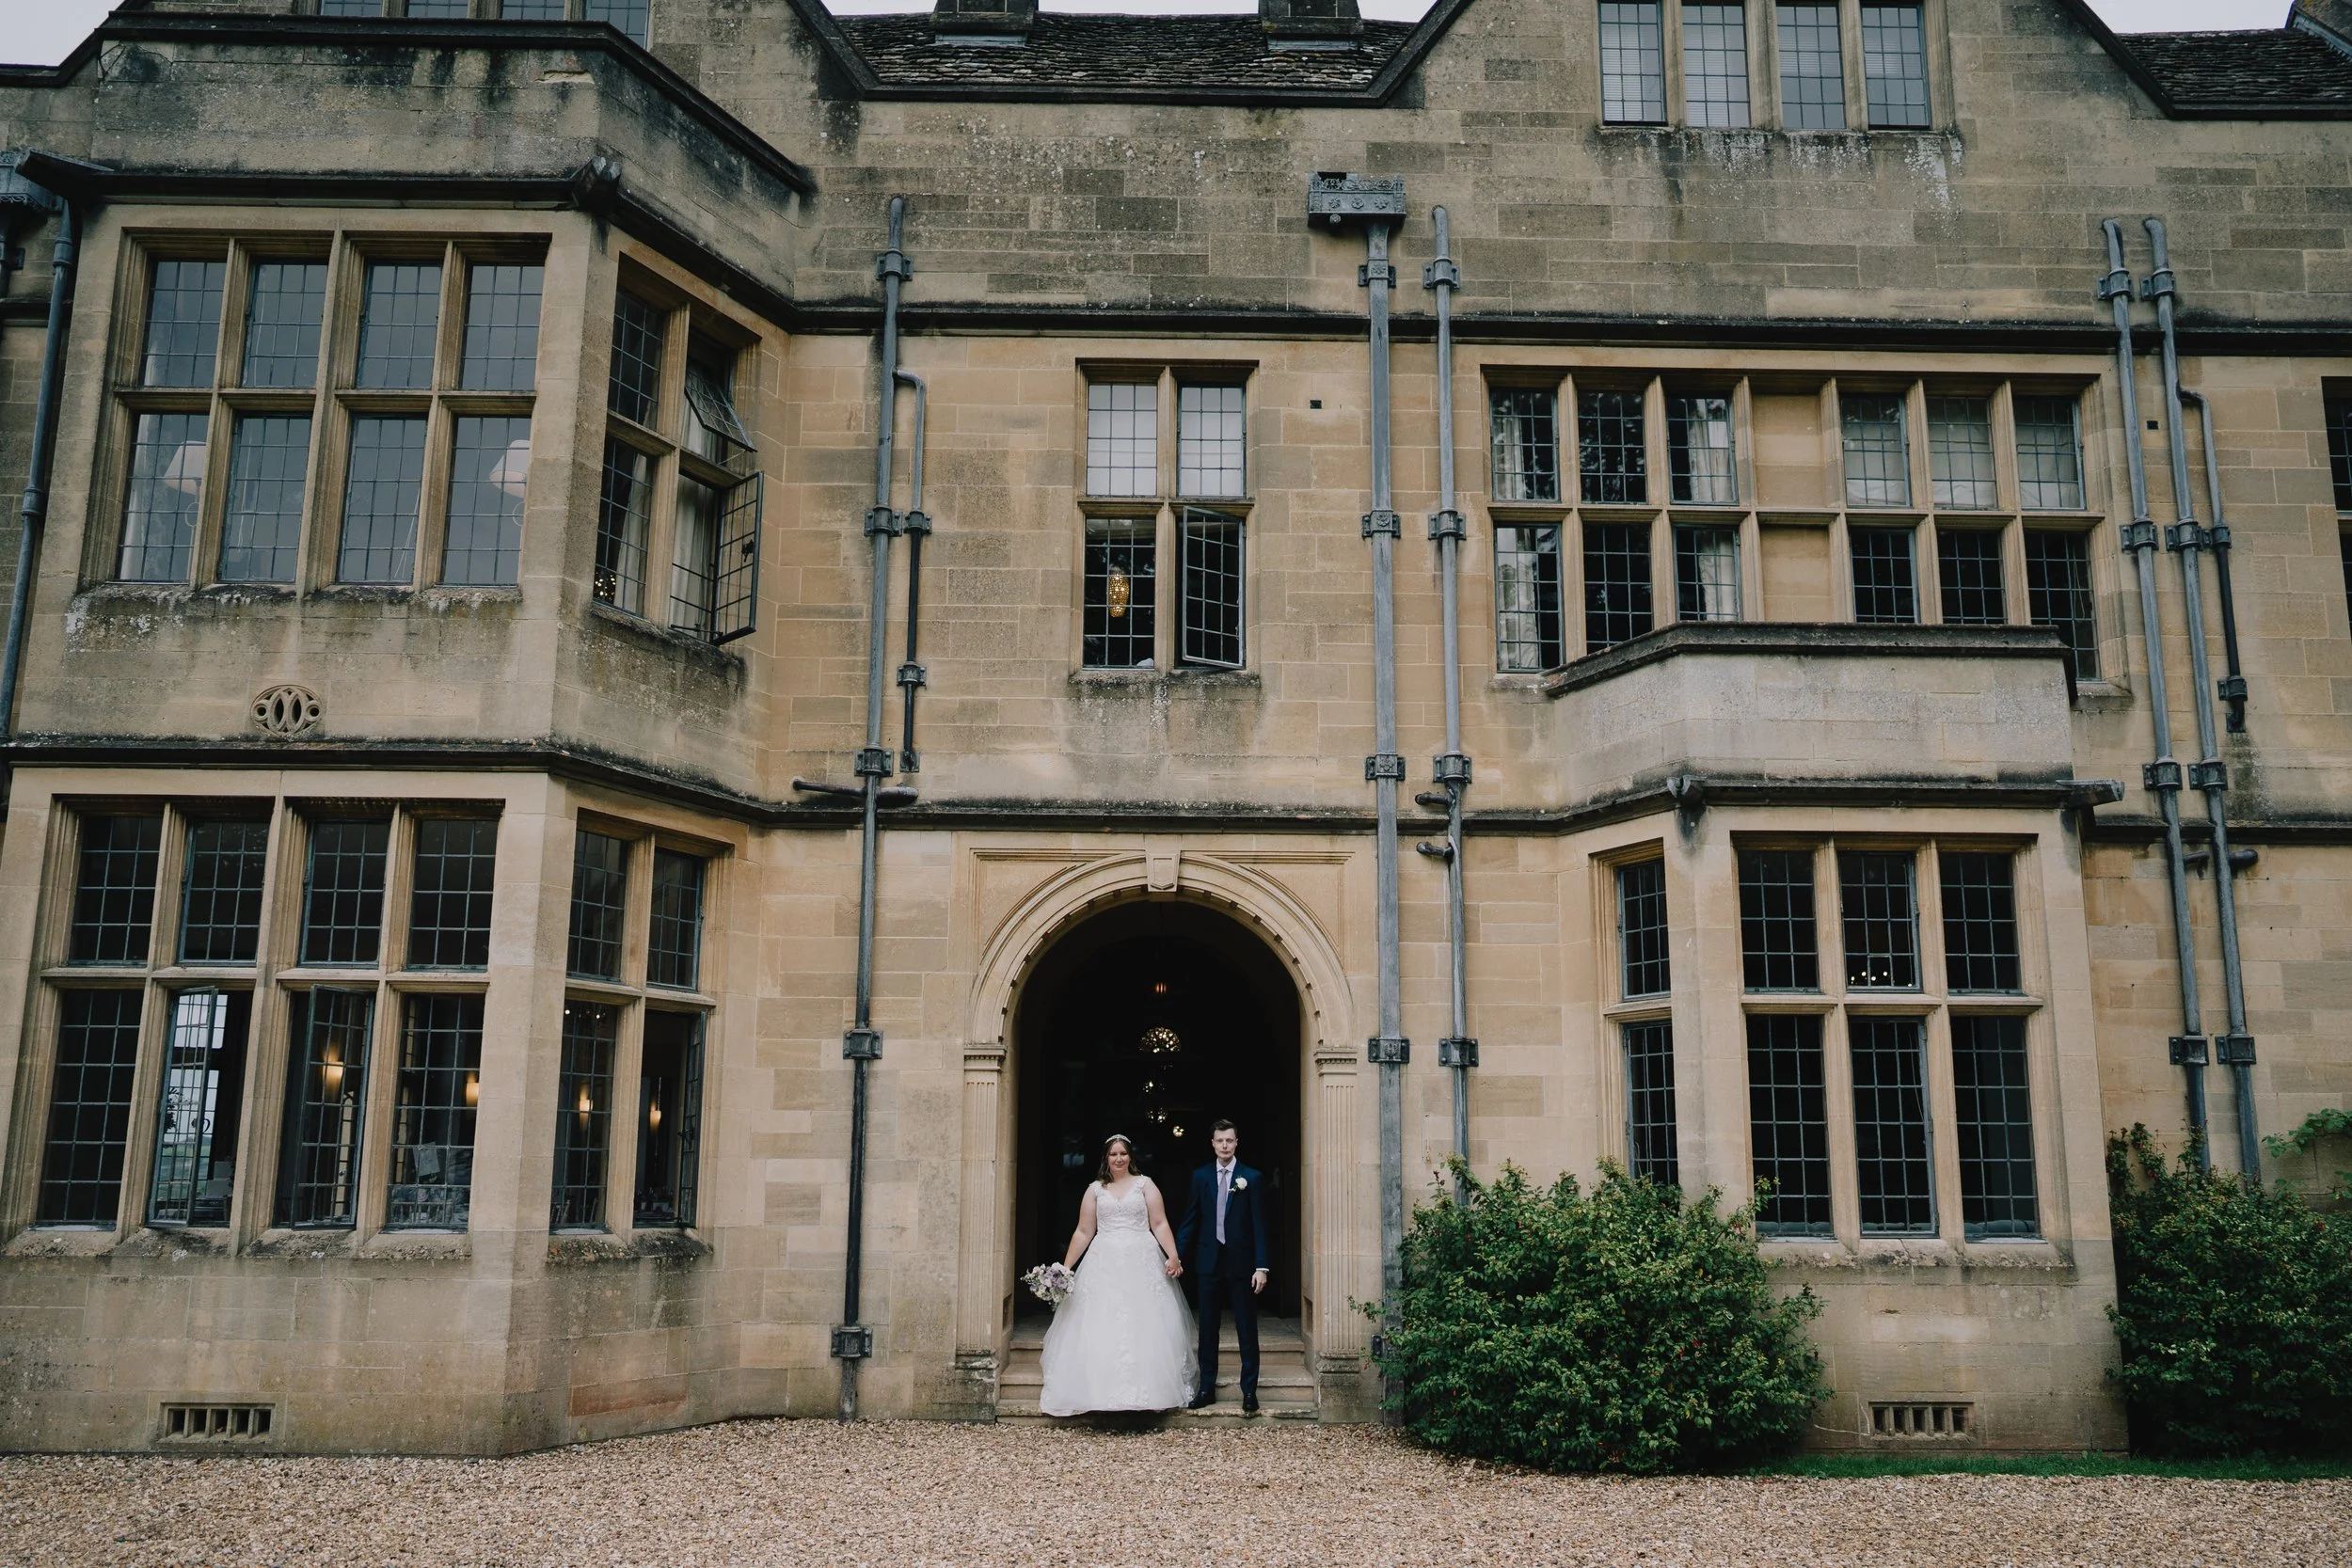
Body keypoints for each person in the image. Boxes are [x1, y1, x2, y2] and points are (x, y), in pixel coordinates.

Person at [1036, 1133, 1198, 1417]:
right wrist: (1066, 1267)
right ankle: (1099, 1393)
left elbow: (1159, 1223)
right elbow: (1084, 1231)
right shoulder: (1095, 1190)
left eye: (1123, 1153)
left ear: (1130, 1157)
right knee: (1102, 1320)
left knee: (1144, 1322)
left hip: (1142, 1258)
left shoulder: (1145, 1185)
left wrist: (1173, 1254)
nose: (1119, 1158)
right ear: (1106, 1159)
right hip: (1104, 1259)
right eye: (1113, 1154)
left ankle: (1148, 1393)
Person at [1174, 1119, 1269, 1414]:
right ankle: (1206, 1388)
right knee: (1208, 1329)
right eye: (1220, 1141)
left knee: (1245, 1327)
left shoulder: (1251, 1178)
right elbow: (1190, 1219)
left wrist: (1261, 1266)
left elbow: (1260, 1226)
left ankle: (1249, 1390)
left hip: (1242, 1263)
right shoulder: (1200, 1176)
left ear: (1237, 1142)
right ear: (1212, 1144)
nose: (1225, 1146)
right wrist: (1176, 1255)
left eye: (1229, 1140)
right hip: (1208, 1262)